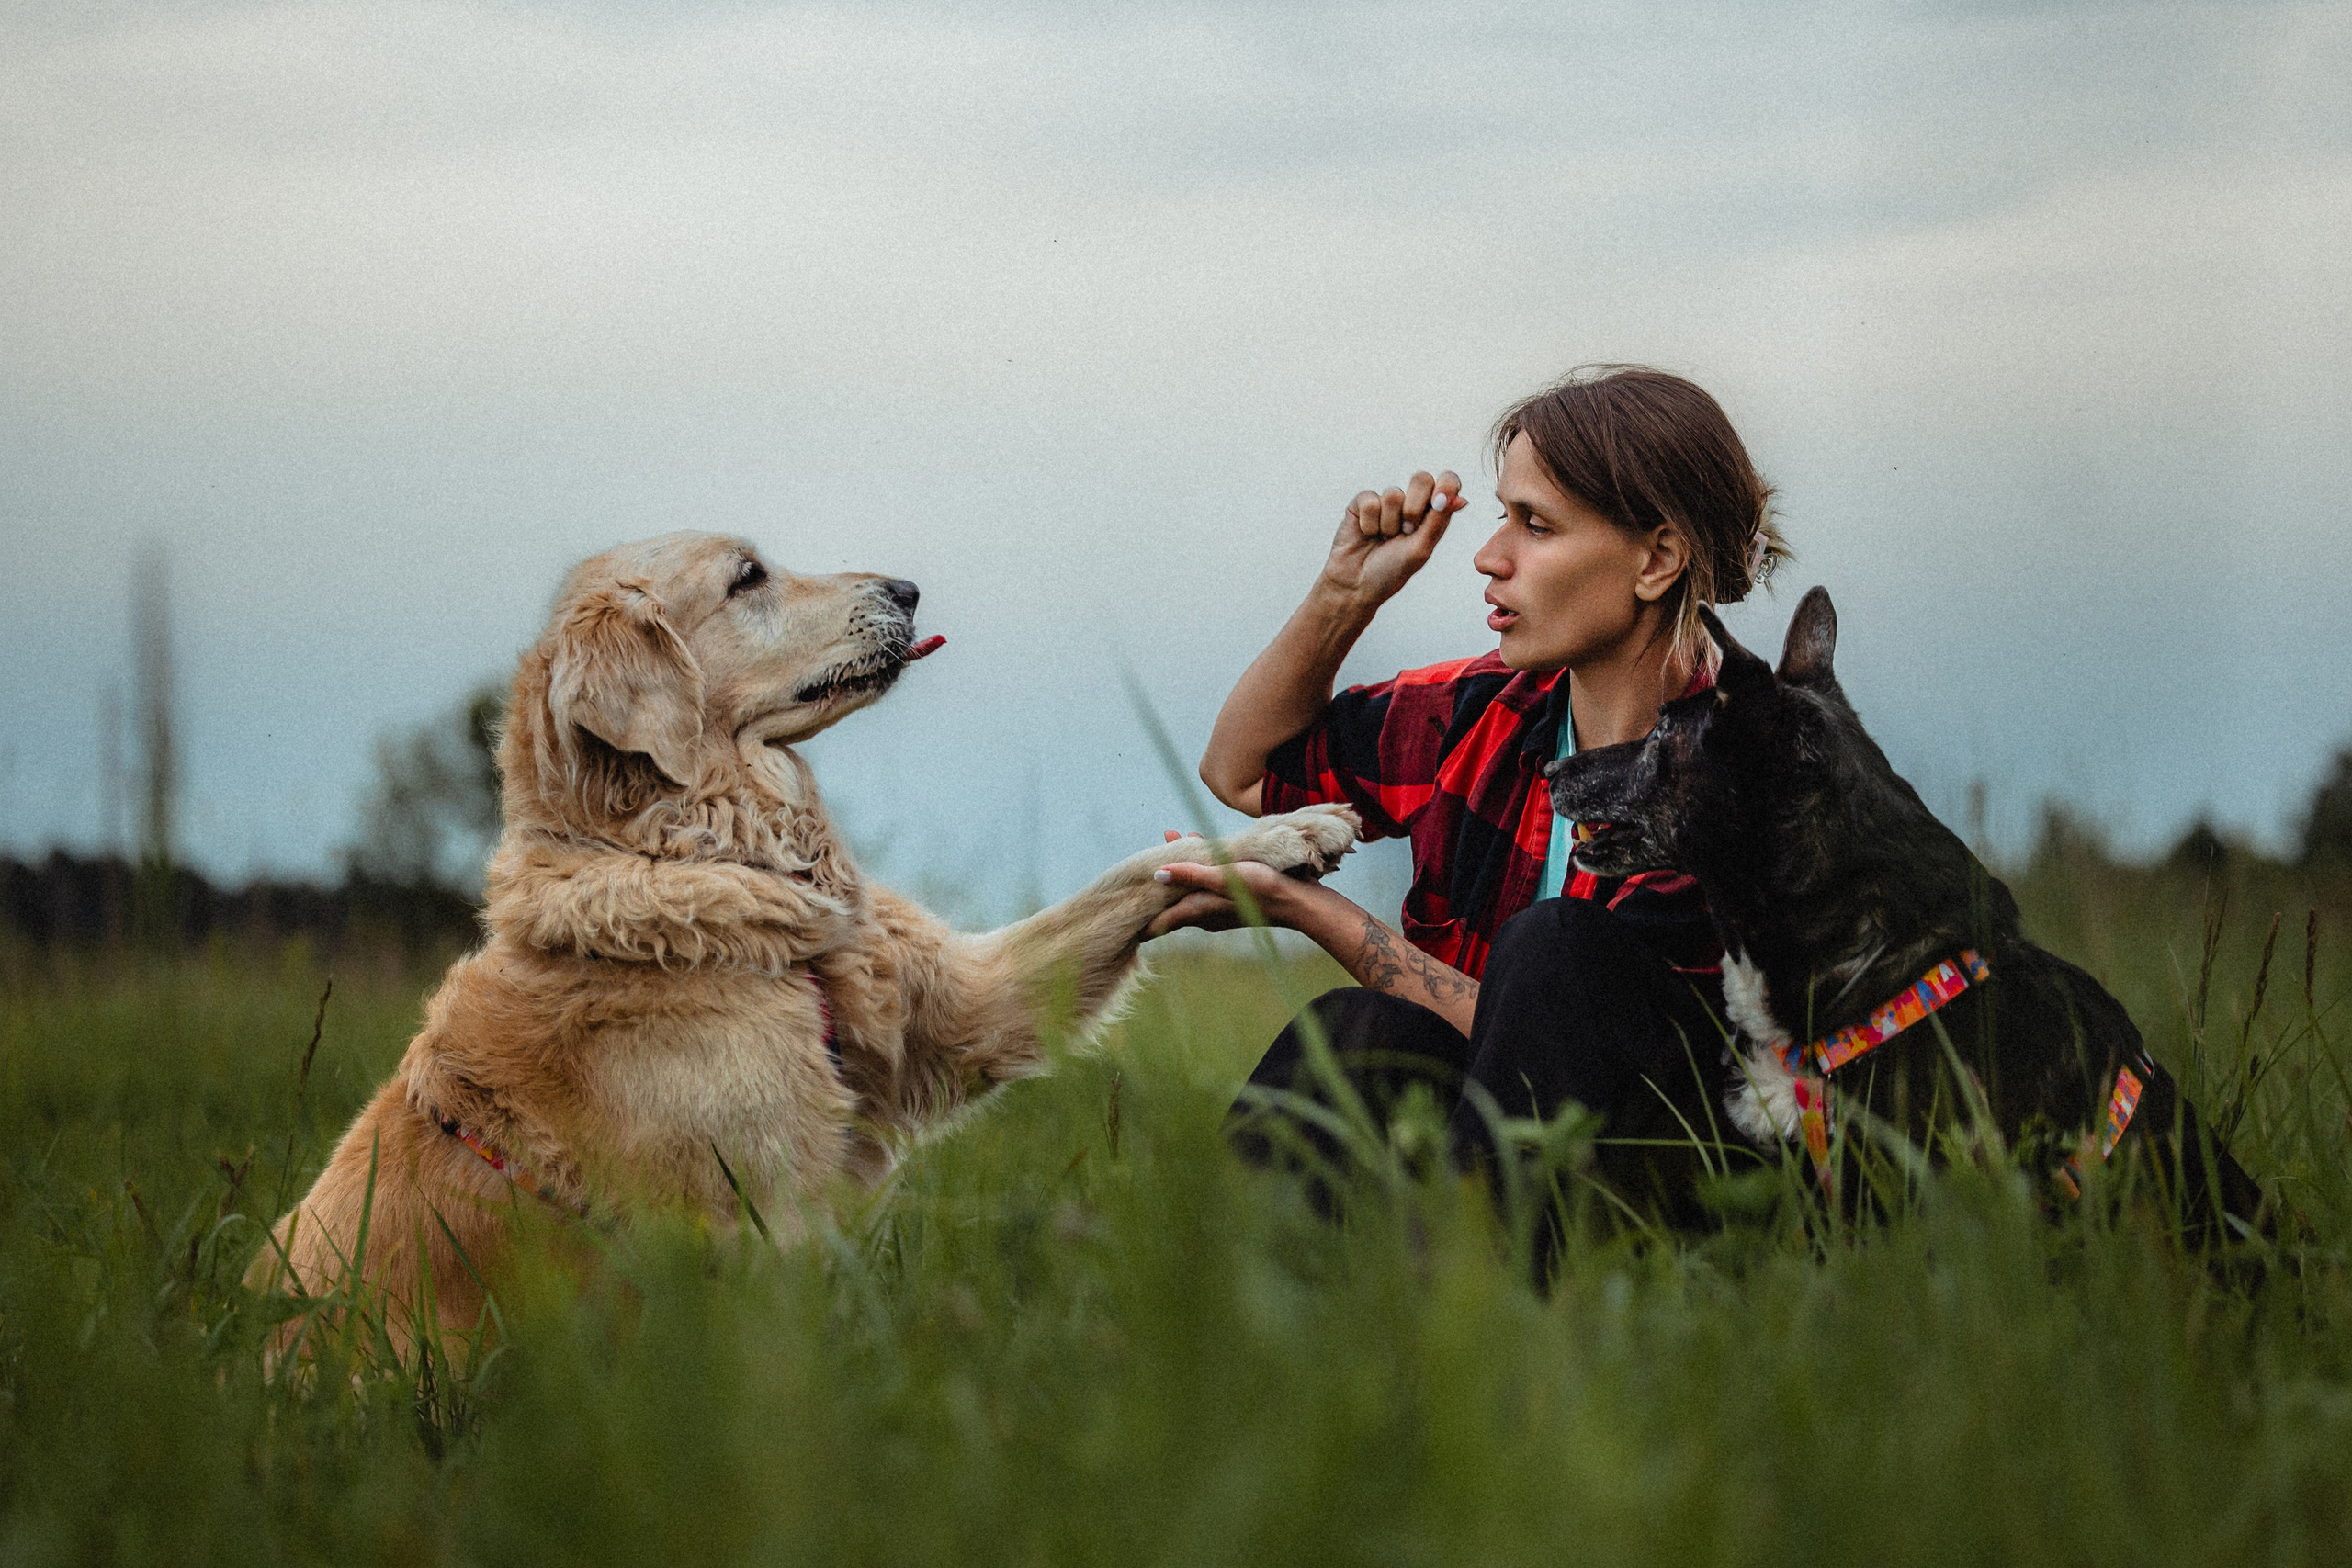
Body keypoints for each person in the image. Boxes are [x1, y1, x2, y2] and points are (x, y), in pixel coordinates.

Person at [1148, 365, 1788, 1213]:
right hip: (1500, 1156)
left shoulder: (1746, 774)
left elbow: (1559, 1038)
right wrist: (1344, 596)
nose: (1490, 556)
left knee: (1555, 946)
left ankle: (1458, 1307)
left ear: (1657, 559)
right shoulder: (1483, 714)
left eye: (1536, 524)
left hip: (1679, 1183)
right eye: (1501, 516)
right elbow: (1245, 769)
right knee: (1361, 1038)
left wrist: (1316, 912)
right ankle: (1211, 1312)